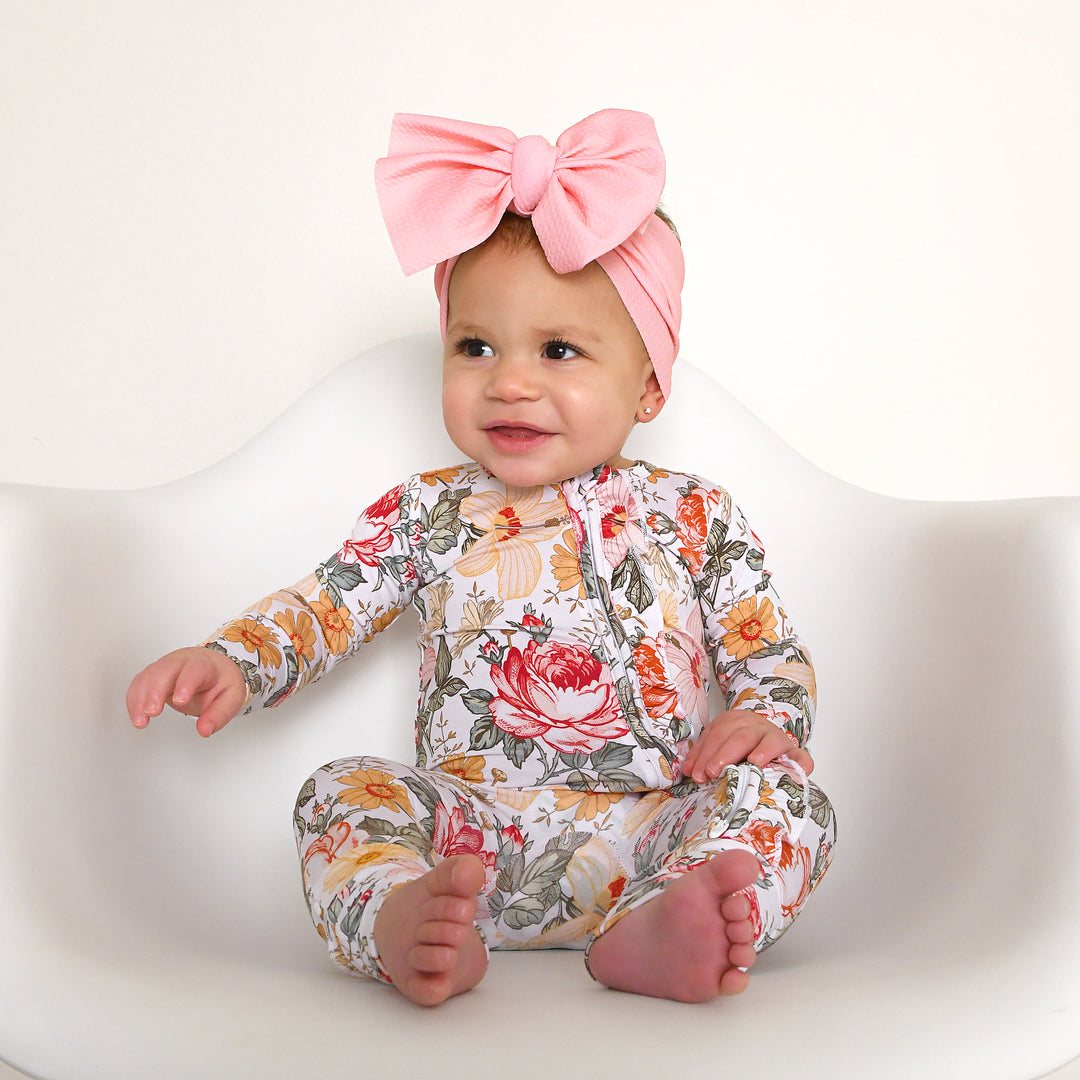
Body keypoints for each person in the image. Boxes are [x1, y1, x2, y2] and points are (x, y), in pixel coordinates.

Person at [125, 109, 836, 1007]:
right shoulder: (429, 512)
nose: (509, 381)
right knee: (341, 792)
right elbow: (326, 606)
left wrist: (768, 717)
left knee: (791, 805)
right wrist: (234, 658)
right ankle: (403, 923)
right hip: (473, 849)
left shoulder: (693, 514)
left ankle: (657, 928)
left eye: (559, 350)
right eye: (475, 346)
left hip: (655, 832)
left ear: (649, 384)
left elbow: (767, 649)